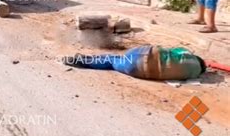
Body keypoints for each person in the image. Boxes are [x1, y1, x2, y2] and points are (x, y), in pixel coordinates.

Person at [63, 45, 206, 81]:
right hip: (141, 70)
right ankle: (81, 61)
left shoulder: (187, 55)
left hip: (144, 54)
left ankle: (83, 59)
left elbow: (175, 49)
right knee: (114, 62)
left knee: (114, 58)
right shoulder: (193, 75)